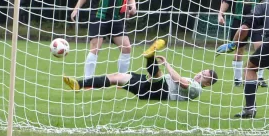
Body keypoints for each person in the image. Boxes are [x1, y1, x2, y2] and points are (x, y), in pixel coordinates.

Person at [63, 39, 218, 100]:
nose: (200, 75)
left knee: (159, 77)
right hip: (148, 90)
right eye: (202, 72)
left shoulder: (197, 89)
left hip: (162, 93)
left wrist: (167, 64)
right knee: (117, 76)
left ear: (207, 84)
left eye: (204, 76)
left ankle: (150, 56)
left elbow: (180, 82)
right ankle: (79, 84)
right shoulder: (194, 81)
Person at [71, 0, 137, 78]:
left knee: (127, 48)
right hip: (99, 15)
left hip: (116, 18)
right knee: (95, 47)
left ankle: (121, 80)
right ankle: (87, 80)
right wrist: (76, 8)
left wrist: (133, 6)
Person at [216, 0, 268, 87]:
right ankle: (238, 79)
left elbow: (266, 5)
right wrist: (220, 14)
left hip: (256, 22)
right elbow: (227, 1)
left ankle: (260, 77)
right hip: (238, 20)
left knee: (260, 48)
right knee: (239, 50)